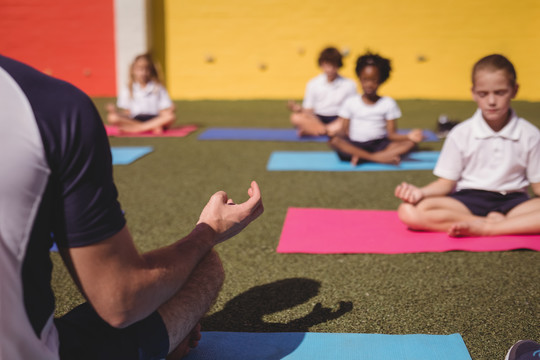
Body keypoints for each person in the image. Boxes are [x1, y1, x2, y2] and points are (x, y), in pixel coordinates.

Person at [0, 54, 263, 359]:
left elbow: (169, 111)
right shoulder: (49, 107)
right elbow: (121, 301)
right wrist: (209, 231)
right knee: (203, 266)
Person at [395, 54, 540, 237]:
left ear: (514, 90)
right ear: (473, 93)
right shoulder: (460, 134)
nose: (492, 101)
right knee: (408, 211)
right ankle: (494, 224)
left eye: (500, 92)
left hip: (514, 202)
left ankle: (487, 228)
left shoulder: (531, 134)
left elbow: (538, 187)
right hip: (467, 201)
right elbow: (445, 184)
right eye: (483, 94)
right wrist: (420, 192)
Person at [328, 52, 423, 165]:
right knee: (334, 142)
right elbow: (344, 131)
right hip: (356, 144)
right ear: (359, 79)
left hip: (380, 145)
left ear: (381, 80)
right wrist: (334, 134)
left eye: (373, 80)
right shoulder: (350, 102)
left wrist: (409, 136)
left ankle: (363, 158)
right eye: (365, 80)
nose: (369, 84)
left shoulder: (388, 103)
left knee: (410, 143)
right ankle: (380, 159)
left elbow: (391, 134)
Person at [288, 46, 357, 136]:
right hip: (317, 118)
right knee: (295, 117)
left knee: (349, 121)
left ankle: (315, 131)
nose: (330, 69)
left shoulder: (349, 84)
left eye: (333, 65)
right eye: (327, 65)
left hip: (339, 118)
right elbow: (309, 109)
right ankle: (328, 131)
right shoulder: (313, 83)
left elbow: (353, 109)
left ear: (338, 65)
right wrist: (299, 109)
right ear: (321, 65)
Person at [106, 53, 176, 134]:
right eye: (139, 69)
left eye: (146, 69)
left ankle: (136, 128)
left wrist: (170, 109)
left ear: (151, 70)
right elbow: (127, 112)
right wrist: (114, 112)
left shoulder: (158, 87)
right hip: (135, 118)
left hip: (154, 118)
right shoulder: (127, 88)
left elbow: (163, 110)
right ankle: (150, 127)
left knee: (171, 117)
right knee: (112, 118)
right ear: (133, 70)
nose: (143, 73)